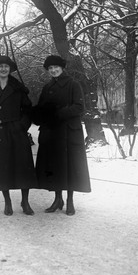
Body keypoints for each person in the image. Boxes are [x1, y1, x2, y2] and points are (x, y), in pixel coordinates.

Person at [0, 55, 37, 216]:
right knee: (2, 167)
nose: (3, 69)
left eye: (6, 67)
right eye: (0, 66)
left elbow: (28, 110)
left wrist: (22, 126)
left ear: (10, 69)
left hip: (16, 132)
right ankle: (7, 202)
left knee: (23, 167)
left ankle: (25, 201)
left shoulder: (18, 88)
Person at [33, 55, 91, 216]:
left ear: (62, 67)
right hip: (52, 133)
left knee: (70, 167)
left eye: (55, 67)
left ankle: (70, 200)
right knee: (55, 167)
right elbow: (42, 108)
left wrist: (58, 114)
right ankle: (58, 199)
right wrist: (37, 113)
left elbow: (79, 107)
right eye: (50, 68)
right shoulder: (47, 87)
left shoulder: (74, 84)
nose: (53, 70)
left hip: (69, 133)